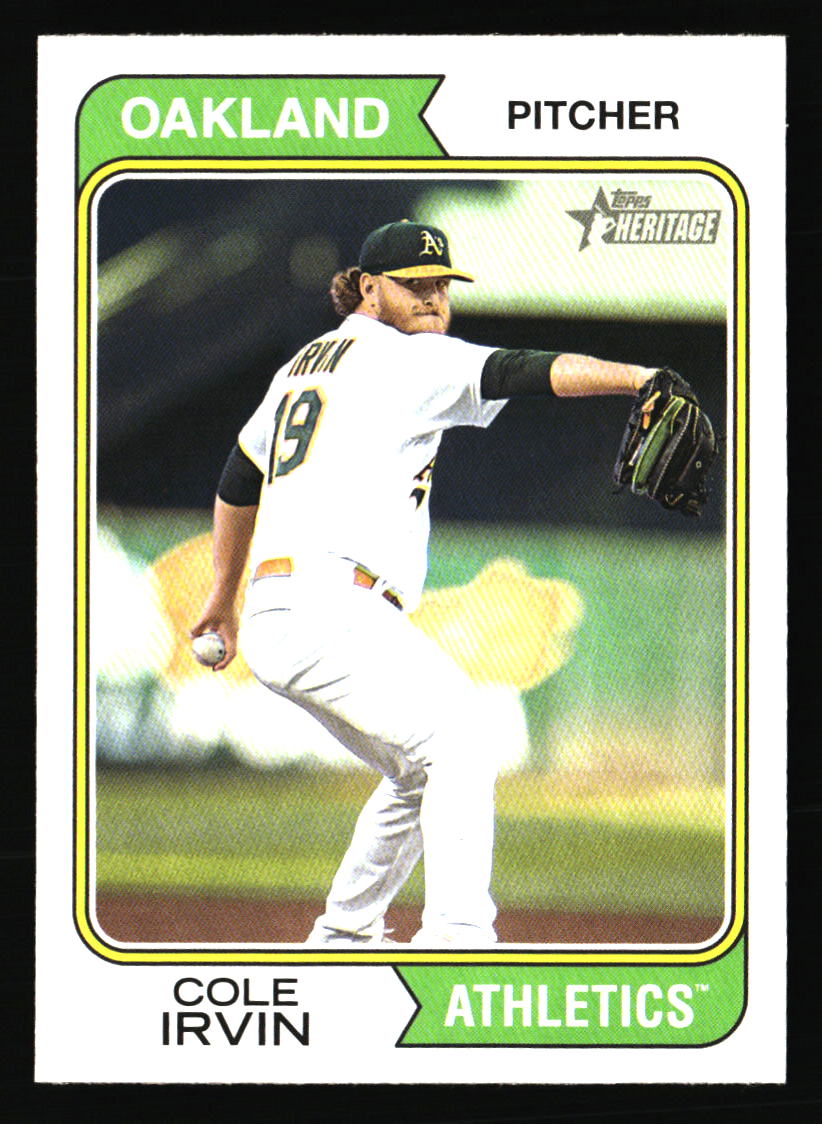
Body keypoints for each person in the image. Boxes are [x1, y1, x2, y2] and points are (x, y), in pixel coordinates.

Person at [191, 219, 660, 947]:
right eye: (414, 284)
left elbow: (239, 475)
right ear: (368, 288)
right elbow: (522, 369)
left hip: (287, 608)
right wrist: (639, 379)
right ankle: (459, 936)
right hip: (331, 605)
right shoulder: (407, 358)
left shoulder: (303, 366)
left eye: (442, 284)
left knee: (422, 768)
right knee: (463, 738)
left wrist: (223, 596)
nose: (433, 297)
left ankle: (344, 935)